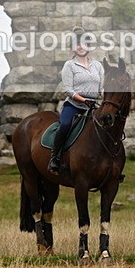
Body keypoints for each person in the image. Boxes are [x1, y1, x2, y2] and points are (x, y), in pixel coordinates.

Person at [48, 27, 104, 174]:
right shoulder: (69, 65)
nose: (80, 46)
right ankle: (55, 158)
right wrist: (84, 100)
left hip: (94, 106)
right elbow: (69, 90)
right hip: (74, 105)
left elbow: (102, 88)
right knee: (65, 125)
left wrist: (104, 100)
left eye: (84, 43)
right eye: (77, 44)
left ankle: (111, 162)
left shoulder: (97, 66)